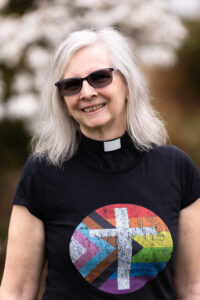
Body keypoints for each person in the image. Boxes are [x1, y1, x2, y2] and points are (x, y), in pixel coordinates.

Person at [0, 27, 200, 300]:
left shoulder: (176, 169)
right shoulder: (43, 172)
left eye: (100, 78)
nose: (87, 92)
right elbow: (16, 291)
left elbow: (192, 288)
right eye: (72, 84)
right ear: (62, 99)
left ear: (127, 85)